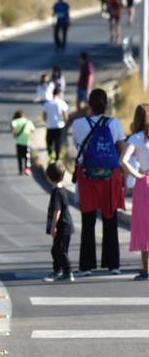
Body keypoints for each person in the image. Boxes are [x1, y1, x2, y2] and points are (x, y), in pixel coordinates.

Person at [72, 88, 126, 275]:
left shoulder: (78, 124)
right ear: (106, 104)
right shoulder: (115, 123)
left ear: (90, 105)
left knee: (88, 221)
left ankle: (86, 266)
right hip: (110, 177)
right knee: (110, 220)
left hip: (87, 176)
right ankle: (113, 265)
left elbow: (78, 146)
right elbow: (122, 149)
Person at [121, 103, 149, 279]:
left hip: (145, 183)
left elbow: (123, 160)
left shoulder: (137, 138)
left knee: (144, 227)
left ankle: (146, 270)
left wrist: (137, 174)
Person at [43, 162, 74, 283]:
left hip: (62, 226)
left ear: (49, 178)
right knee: (59, 250)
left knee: (58, 250)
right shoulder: (62, 190)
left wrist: (53, 226)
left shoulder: (56, 192)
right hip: (66, 226)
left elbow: (57, 210)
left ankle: (67, 271)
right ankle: (57, 270)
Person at [43, 87, 69, 163]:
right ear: (59, 94)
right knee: (58, 142)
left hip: (50, 126)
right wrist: (65, 122)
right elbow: (65, 116)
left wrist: (47, 121)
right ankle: (57, 158)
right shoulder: (62, 103)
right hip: (59, 125)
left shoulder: (47, 103)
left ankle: (50, 156)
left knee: (49, 142)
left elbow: (44, 116)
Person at [11, 109, 35, 176]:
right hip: (27, 141)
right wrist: (30, 136)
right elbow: (33, 130)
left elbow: (13, 127)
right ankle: (27, 169)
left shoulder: (15, 121)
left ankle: (20, 170)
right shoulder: (28, 121)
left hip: (18, 142)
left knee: (19, 156)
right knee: (27, 156)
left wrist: (15, 135)